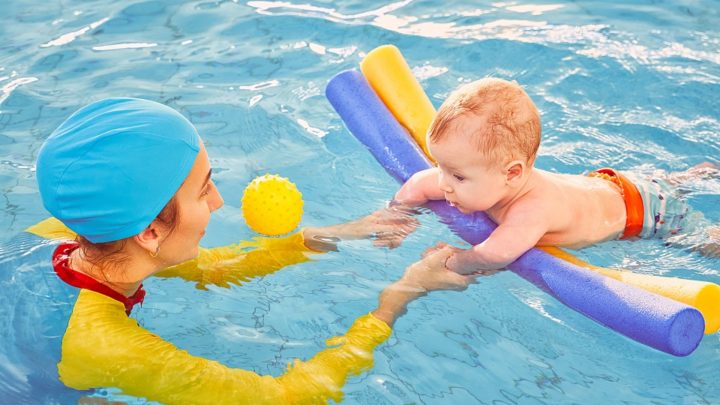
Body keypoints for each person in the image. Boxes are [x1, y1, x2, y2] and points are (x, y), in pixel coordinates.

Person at [33, 97, 475, 404]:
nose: (218, 202)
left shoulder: (67, 232)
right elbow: (287, 397)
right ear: (149, 232)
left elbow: (215, 268)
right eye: (204, 190)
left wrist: (340, 232)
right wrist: (399, 295)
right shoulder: (105, 345)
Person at [394, 77, 719, 275]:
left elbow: (494, 256)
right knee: (667, 183)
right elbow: (419, 184)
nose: (444, 184)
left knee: (707, 242)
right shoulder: (483, 176)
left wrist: (454, 261)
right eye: (442, 168)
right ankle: (692, 176)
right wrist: (397, 214)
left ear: (512, 173)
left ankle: (688, 185)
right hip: (612, 184)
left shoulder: (531, 210)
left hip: (647, 213)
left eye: (458, 177)